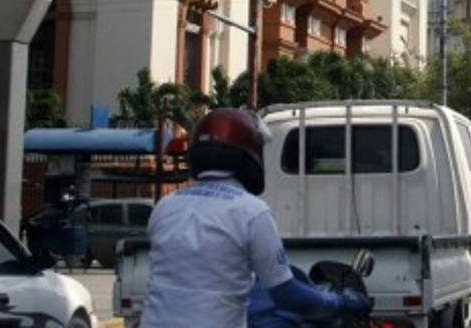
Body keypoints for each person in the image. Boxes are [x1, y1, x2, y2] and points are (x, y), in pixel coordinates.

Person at [141, 109, 369, 328]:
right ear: (249, 154)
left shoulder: (165, 207)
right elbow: (287, 295)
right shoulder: (251, 211)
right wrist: (341, 302)